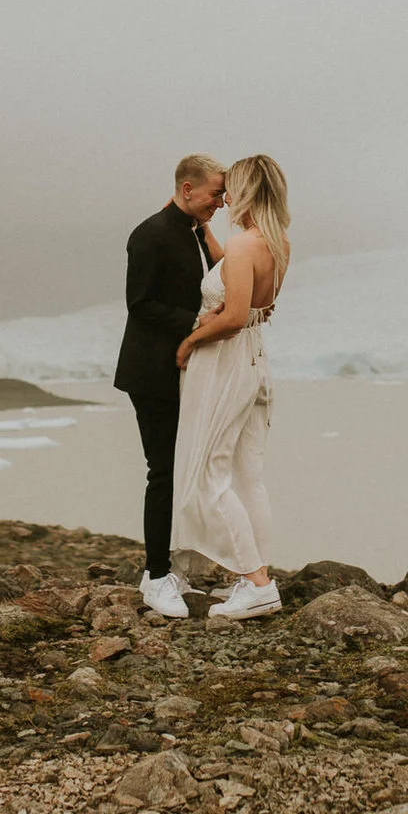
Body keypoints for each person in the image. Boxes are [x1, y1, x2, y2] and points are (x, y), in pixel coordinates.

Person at [170, 152, 289, 620]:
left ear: (245, 191)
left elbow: (234, 316)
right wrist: (208, 237)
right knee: (247, 474)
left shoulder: (244, 246)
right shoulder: (276, 242)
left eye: (229, 189)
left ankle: (258, 584)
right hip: (256, 360)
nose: (224, 197)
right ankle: (255, 576)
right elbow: (245, 293)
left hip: (225, 363)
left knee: (209, 474)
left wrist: (188, 342)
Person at [115, 154, 226, 620]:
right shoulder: (151, 234)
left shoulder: (191, 233)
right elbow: (140, 304)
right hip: (152, 371)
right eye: (215, 193)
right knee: (162, 471)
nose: (221, 202)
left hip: (185, 369)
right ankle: (156, 576)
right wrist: (197, 322)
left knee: (185, 470)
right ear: (187, 189)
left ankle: (173, 568)